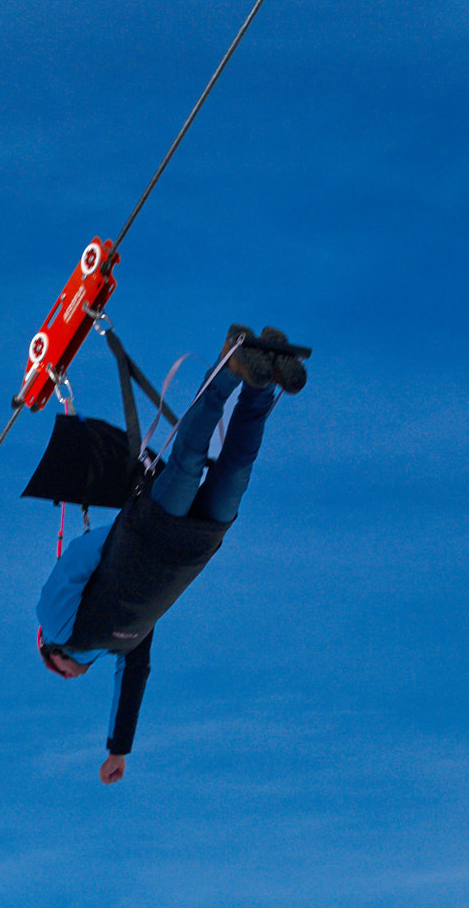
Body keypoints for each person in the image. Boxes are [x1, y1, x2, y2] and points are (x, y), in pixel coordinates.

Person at [35, 325, 305, 782]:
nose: (74, 677)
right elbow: (132, 683)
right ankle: (262, 381)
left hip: (149, 532)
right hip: (195, 545)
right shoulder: (128, 640)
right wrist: (118, 751)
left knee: (188, 459)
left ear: (56, 660)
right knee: (237, 467)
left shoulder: (59, 626)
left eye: (63, 675)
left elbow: (78, 557)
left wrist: (123, 527)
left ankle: (230, 368)